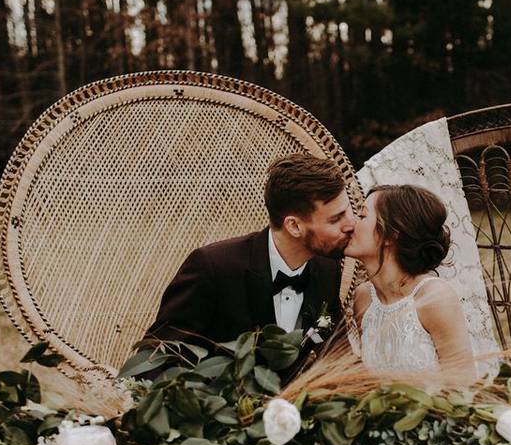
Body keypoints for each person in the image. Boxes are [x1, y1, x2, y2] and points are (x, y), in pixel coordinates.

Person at [143, 152, 356, 378]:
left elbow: (335, 350)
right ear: (294, 226)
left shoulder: (327, 267)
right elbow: (154, 360)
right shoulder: (213, 267)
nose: (351, 223)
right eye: (336, 219)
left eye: (347, 210)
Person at [344, 184, 473, 376]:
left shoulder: (434, 297)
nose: (351, 225)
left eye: (362, 216)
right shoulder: (363, 298)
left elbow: (465, 385)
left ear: (390, 235)